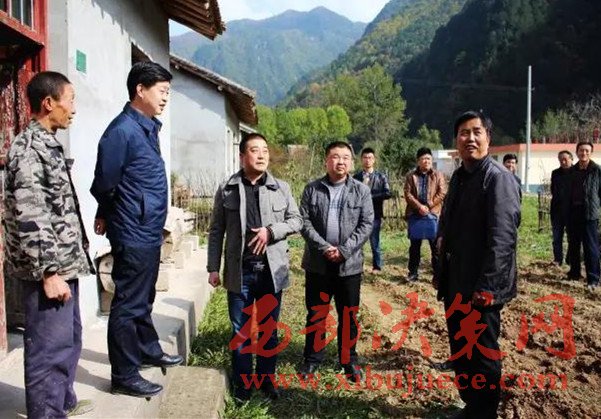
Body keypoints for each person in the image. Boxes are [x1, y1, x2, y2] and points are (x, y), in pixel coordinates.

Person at [3, 71, 94, 418]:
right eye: (70, 100)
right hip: (48, 269)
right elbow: (32, 215)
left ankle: (62, 402)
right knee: (49, 348)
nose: (74, 109)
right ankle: (46, 413)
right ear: (48, 103)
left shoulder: (49, 144)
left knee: (68, 339)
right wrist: (49, 273)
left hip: (63, 262)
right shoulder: (29, 150)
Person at [90, 61, 182, 398]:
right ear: (140, 90)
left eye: (168, 92)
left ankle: (146, 348)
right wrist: (109, 212)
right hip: (132, 229)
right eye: (162, 91)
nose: (165, 98)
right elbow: (105, 182)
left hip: (147, 227)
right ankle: (124, 374)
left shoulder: (146, 127)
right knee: (128, 302)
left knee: (144, 296)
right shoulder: (122, 131)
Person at [435, 111, 521, 418]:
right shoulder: (460, 177)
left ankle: (484, 412)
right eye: (463, 133)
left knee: (481, 352)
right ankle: (470, 404)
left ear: (488, 138)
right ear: (456, 140)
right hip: (456, 280)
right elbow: (447, 225)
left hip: (482, 287)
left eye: (476, 132)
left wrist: (488, 287)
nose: (469, 138)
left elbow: (503, 239)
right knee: (461, 347)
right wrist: (441, 267)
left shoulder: (498, 179)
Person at [207, 133, 302, 401]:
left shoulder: (281, 188)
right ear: (242, 156)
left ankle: (266, 380)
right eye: (254, 150)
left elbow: (297, 220)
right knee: (241, 331)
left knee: (269, 330)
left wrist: (271, 232)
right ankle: (243, 385)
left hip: (272, 271)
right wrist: (213, 267)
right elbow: (216, 231)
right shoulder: (227, 189)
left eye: (265, 150)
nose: (261, 155)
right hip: (241, 272)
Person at [299, 141, 374, 382]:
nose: (340, 161)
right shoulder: (312, 189)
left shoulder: (361, 191)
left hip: (349, 265)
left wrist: (344, 250)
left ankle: (348, 359)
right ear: (326, 161)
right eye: (335, 156)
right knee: (316, 313)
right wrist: (324, 248)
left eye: (345, 157)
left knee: (348, 314)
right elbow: (304, 222)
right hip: (318, 264)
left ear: (351, 162)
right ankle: (312, 359)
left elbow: (366, 225)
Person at [404, 147, 447, 282]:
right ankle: (413, 273)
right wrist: (419, 207)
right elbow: (407, 194)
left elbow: (442, 192)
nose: (426, 161)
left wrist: (428, 206)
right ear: (418, 161)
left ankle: (438, 275)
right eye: (423, 159)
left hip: (432, 214)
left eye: (428, 158)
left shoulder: (438, 175)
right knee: (414, 247)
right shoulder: (411, 176)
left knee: (435, 247)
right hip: (415, 214)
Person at [566, 141, 601, 292]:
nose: (584, 153)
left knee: (590, 247)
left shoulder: (596, 170)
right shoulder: (572, 171)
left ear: (591, 153)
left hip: (589, 214)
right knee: (573, 245)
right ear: (577, 152)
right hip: (573, 212)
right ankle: (574, 274)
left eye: (587, 151)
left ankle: (593, 278)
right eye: (581, 150)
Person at [353, 147, 392, 273]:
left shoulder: (381, 177)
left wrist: (370, 197)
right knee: (358, 241)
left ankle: (377, 266)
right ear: (361, 160)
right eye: (365, 157)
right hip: (358, 215)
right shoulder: (356, 177)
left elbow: (387, 193)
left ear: (374, 160)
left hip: (375, 214)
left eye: (370, 158)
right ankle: (358, 266)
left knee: (375, 242)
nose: (367, 160)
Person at [550, 150, 573, 266]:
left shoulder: (576, 172)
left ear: (571, 159)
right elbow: (553, 190)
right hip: (557, 210)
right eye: (560, 160)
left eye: (565, 159)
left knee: (572, 238)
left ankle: (570, 259)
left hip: (572, 211)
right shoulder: (555, 173)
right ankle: (558, 259)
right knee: (557, 237)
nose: (563, 162)